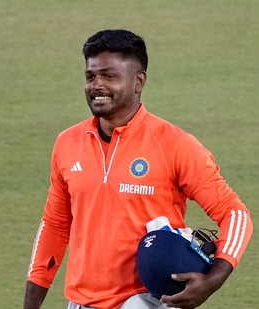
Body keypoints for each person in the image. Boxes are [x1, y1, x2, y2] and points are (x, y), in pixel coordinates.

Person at [23, 29, 253, 309]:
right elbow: (55, 226)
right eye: (91, 76)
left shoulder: (175, 144)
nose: (97, 85)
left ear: (138, 81)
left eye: (109, 76)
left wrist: (214, 278)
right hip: (82, 302)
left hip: (147, 300)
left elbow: (234, 213)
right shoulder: (67, 143)